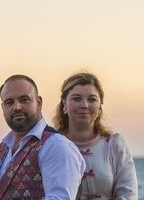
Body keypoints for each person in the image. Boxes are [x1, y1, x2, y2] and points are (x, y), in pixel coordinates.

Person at [0, 74, 86, 200]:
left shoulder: (56, 145)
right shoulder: (1, 150)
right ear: (3, 108)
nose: (17, 107)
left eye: (24, 100)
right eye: (9, 102)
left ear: (39, 102)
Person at [53, 72, 138, 200]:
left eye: (92, 99)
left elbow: (128, 194)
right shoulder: (52, 146)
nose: (84, 105)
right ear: (64, 104)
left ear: (99, 107)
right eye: (77, 98)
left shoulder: (114, 145)